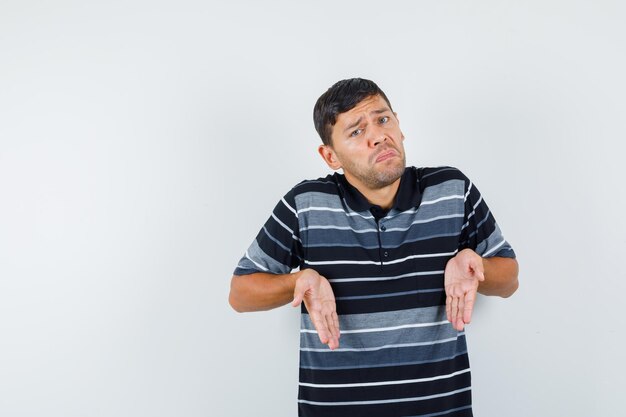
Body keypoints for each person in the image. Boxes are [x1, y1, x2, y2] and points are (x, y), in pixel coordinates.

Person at [229, 78, 519, 417]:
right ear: (330, 156)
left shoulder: (452, 190)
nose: (378, 135)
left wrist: (475, 264)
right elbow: (240, 294)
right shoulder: (305, 204)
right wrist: (297, 281)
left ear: (399, 126)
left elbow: (509, 279)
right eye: (356, 131)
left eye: (383, 120)